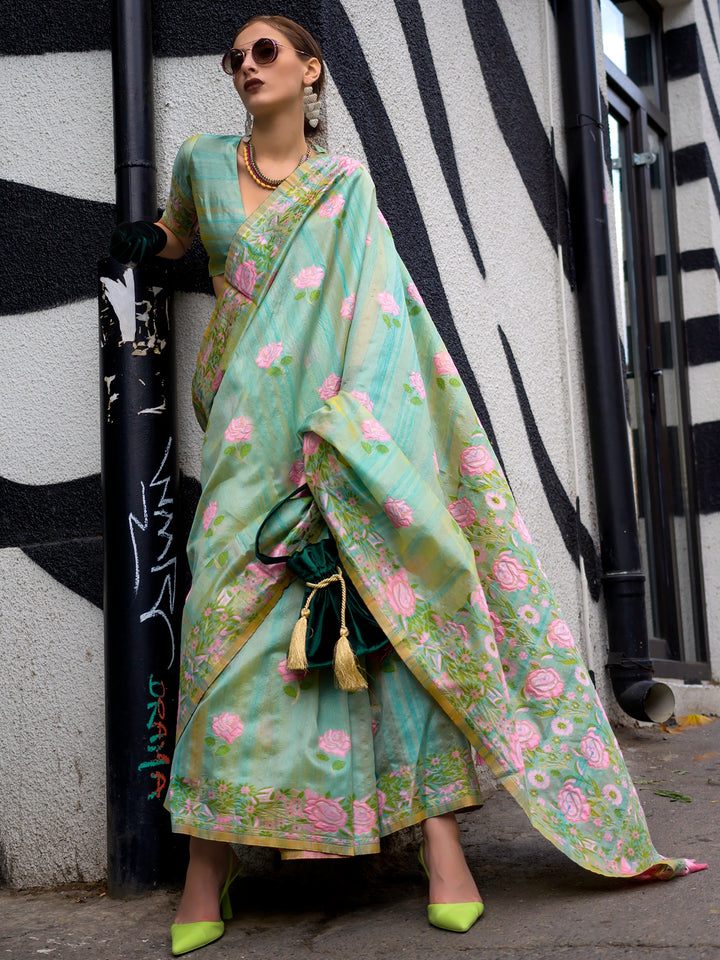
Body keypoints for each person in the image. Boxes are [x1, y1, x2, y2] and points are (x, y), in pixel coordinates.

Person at [110, 13, 707, 957]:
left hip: (335, 435)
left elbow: (380, 321)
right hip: (239, 447)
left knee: (390, 618)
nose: (245, 66)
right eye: (234, 57)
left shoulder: (345, 187)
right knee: (221, 631)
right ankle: (206, 868)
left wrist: (351, 440)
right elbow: (186, 237)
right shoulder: (199, 158)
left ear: (311, 72)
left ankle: (443, 857)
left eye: (266, 51)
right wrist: (149, 241)